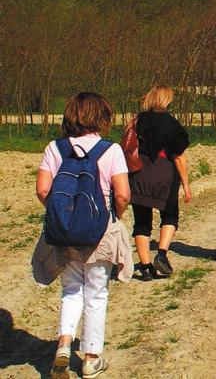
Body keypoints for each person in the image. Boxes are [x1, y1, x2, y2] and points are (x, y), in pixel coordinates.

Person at [34, 92, 132, 379]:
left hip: (64, 235)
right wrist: (113, 218)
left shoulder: (55, 148)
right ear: (101, 116)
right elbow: (123, 194)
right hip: (100, 233)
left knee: (71, 291)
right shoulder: (110, 150)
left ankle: (64, 345)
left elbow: (42, 190)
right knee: (97, 293)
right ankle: (91, 358)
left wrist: (63, 216)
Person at [128, 85, 191, 282]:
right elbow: (179, 157)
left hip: (138, 175)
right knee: (170, 215)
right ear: (167, 101)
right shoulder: (172, 125)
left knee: (141, 222)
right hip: (164, 174)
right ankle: (161, 254)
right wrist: (186, 185)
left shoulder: (137, 120)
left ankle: (146, 268)